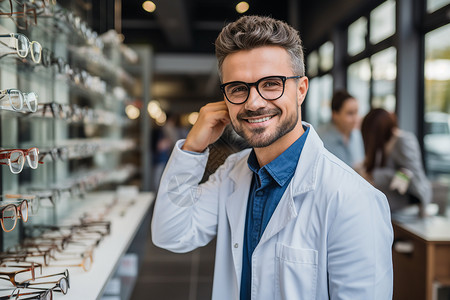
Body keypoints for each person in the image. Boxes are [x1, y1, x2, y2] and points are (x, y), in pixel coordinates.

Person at [151, 15, 393, 300]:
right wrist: (192, 147)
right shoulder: (233, 172)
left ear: (301, 89)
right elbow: (171, 233)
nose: (254, 103)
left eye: (271, 84)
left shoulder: (352, 198)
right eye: (238, 88)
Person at [360, 108, 432, 215]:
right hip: (394, 207)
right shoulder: (384, 143)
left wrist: (375, 176)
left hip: (410, 206)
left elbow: (412, 176)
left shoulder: (403, 140)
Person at [317, 90, 364, 167]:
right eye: (350, 113)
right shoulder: (320, 138)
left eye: (356, 112)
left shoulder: (356, 135)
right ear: (335, 115)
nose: (356, 118)